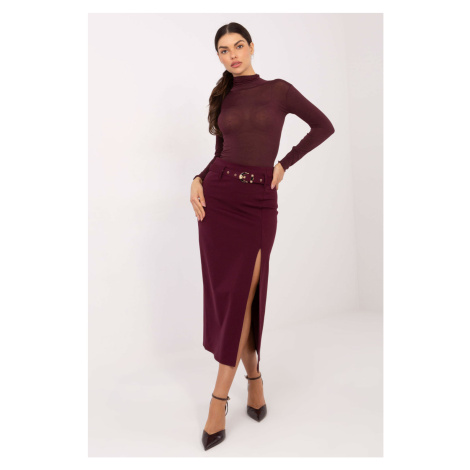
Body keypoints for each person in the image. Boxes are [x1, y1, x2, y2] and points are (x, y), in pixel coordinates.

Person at [190, 22, 335, 451]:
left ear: (252, 47)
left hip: (257, 204)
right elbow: (221, 152)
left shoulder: (278, 90)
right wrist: (198, 178)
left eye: (238, 46)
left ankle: (218, 400)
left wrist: (284, 164)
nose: (232, 55)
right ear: (218, 57)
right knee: (230, 299)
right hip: (217, 201)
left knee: (244, 296)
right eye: (223, 50)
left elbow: (323, 126)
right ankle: (253, 378)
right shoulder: (222, 96)